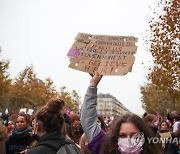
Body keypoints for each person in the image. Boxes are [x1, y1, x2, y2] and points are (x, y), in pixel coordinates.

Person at [81, 71, 163, 154]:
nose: (129, 141)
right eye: (122, 136)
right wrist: (93, 85)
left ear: (143, 136)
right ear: (115, 137)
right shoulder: (105, 149)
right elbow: (88, 121)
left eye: (134, 135)